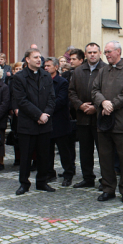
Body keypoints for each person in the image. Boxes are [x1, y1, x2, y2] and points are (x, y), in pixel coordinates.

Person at [91, 40, 123, 203]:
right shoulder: (103, 71)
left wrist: (112, 104)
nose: (106, 55)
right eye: (105, 52)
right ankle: (108, 188)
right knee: (105, 157)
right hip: (103, 121)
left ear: (118, 51)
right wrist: (103, 102)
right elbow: (94, 90)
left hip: (121, 121)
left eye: (109, 51)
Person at [12, 48, 56, 195]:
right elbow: (22, 101)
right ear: (27, 59)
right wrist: (38, 115)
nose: (39, 60)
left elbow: (51, 98)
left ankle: (42, 182)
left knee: (44, 155)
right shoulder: (19, 77)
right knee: (26, 156)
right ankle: (24, 183)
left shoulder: (46, 75)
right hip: (28, 123)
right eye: (35, 57)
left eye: (40, 57)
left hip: (45, 122)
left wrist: (46, 114)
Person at [69, 42, 106, 188]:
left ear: (100, 53)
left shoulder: (106, 69)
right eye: (89, 52)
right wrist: (80, 105)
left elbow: (109, 92)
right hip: (82, 117)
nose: (92, 55)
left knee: (103, 151)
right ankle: (87, 178)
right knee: (85, 151)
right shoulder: (78, 71)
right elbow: (71, 92)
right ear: (85, 54)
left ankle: (106, 179)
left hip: (100, 118)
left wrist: (96, 107)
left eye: (95, 52)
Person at [44, 57, 75, 185]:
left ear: (56, 67)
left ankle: (68, 174)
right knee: (47, 150)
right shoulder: (42, 81)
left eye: (49, 66)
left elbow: (61, 101)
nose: (46, 68)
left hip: (60, 121)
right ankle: (50, 173)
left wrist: (46, 109)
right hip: (46, 121)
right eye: (45, 66)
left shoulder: (62, 82)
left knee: (64, 151)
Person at [8, 62, 23, 166]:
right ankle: (17, 158)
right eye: (16, 69)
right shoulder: (11, 81)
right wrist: (13, 108)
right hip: (16, 111)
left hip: (25, 110)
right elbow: (11, 95)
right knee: (16, 135)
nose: (18, 71)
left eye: (20, 69)